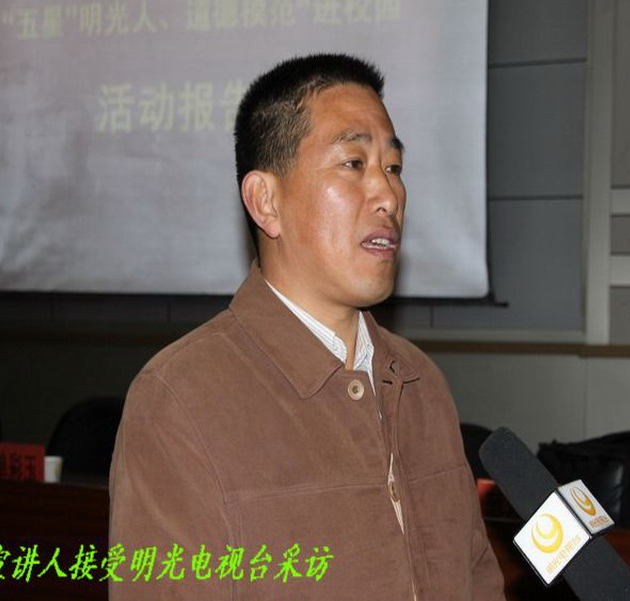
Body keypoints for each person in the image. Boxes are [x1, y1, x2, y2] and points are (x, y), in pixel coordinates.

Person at [109, 53, 505, 600]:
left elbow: (479, 581)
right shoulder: (181, 399)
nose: (388, 195)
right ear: (265, 201)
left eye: (393, 168)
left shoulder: (419, 381)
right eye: (353, 163)